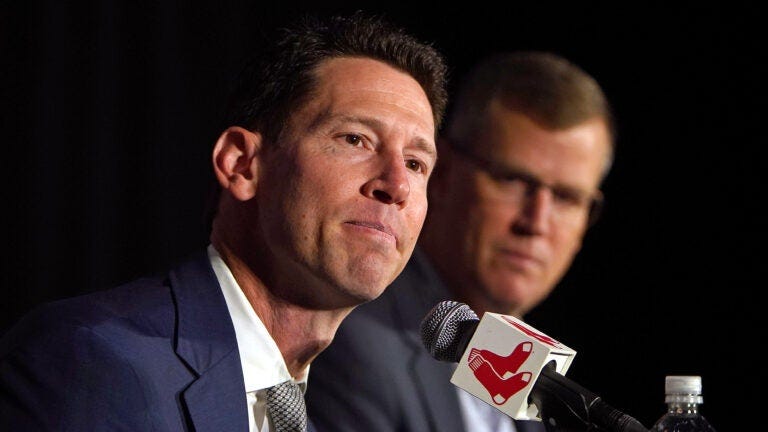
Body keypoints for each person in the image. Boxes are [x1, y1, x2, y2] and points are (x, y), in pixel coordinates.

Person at [0, 12, 448, 432]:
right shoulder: (94, 363)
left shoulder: (299, 416)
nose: (397, 186)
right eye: (356, 139)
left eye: (415, 163)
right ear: (241, 165)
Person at [305, 51, 615, 432]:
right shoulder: (353, 339)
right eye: (512, 181)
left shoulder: (542, 388)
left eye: (566, 198)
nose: (535, 223)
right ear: (444, 173)